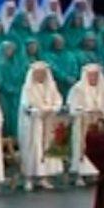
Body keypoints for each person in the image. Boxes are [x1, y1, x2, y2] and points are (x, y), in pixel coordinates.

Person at [19, 61, 65, 191]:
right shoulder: (27, 87)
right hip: (34, 123)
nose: (40, 76)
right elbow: (25, 105)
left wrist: (53, 108)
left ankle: (44, 177)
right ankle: (29, 178)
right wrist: (37, 111)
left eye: (42, 73)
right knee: (33, 149)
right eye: (38, 73)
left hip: (48, 120)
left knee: (48, 148)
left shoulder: (51, 86)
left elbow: (58, 100)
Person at [67, 63, 104, 185]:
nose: (93, 78)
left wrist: (103, 112)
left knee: (97, 149)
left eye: (96, 75)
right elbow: (73, 107)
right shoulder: (78, 88)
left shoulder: (103, 88)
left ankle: (94, 173)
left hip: (98, 123)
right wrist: (86, 111)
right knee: (81, 147)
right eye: (91, 75)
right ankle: (80, 175)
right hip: (83, 123)